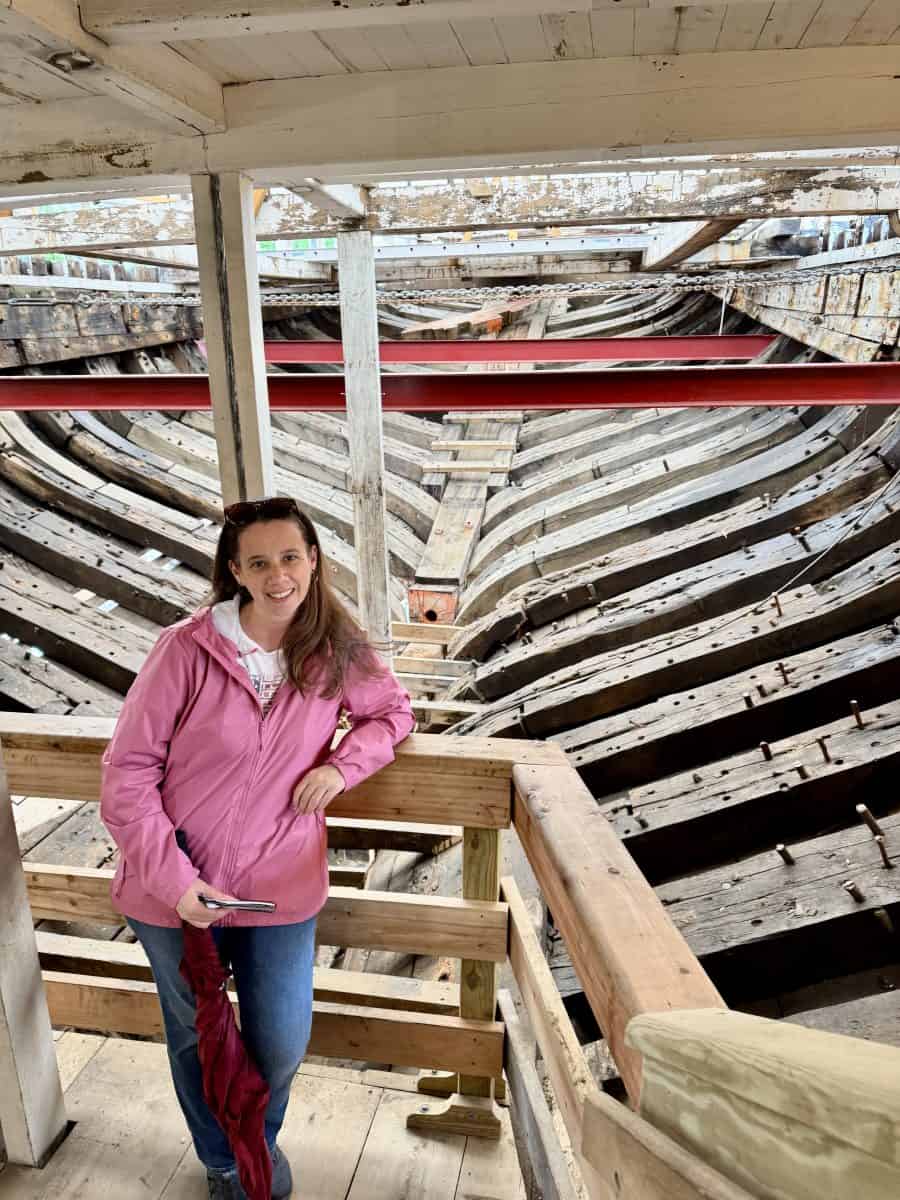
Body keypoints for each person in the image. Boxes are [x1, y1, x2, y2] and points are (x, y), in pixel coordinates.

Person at [100, 496, 415, 1200]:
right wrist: (175, 880)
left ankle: (255, 1145)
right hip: (173, 891)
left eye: (292, 558)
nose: (279, 576)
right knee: (197, 1036)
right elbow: (126, 773)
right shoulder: (185, 650)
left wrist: (341, 764)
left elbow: (393, 712)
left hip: (281, 883)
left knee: (278, 1041)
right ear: (236, 570)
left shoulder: (336, 648)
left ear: (314, 561)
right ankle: (226, 1163)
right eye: (261, 562)